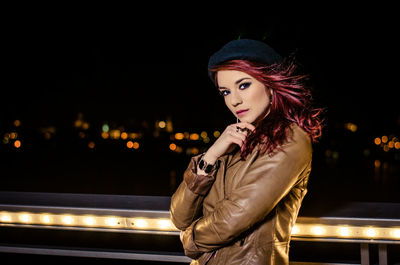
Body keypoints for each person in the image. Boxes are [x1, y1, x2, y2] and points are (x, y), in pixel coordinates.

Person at [170, 38, 324, 265]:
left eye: (243, 85)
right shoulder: (234, 139)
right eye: (225, 92)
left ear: (270, 85)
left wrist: (188, 239)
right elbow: (179, 215)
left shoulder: (291, 139)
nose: (234, 100)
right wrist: (212, 154)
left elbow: (232, 219)